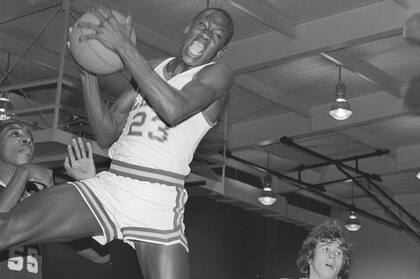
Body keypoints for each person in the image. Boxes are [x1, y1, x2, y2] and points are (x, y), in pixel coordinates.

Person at [0, 6, 234, 279]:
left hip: (158, 199)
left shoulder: (218, 74)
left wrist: (124, 46)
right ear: (188, 28)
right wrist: (88, 74)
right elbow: (106, 133)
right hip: (114, 183)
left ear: (218, 52)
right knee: (6, 228)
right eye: (203, 26)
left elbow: (175, 109)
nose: (206, 35)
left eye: (217, 35)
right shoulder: (152, 71)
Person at [0, 121, 109, 278]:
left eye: (30, 137)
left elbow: (100, 255)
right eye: (14, 133)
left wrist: (87, 187)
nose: (27, 140)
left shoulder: (35, 199)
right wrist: (24, 172)